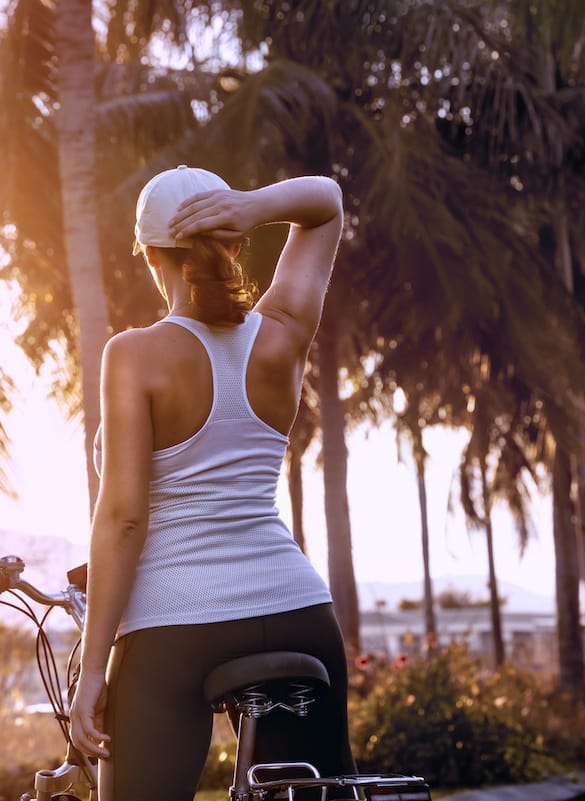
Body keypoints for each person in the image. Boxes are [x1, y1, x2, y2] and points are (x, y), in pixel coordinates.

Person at [68, 165, 356, 801]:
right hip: (297, 614)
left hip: (174, 623)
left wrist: (93, 670)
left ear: (148, 255)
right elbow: (326, 202)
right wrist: (255, 206)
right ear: (234, 241)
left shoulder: (134, 354)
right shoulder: (282, 335)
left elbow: (122, 519)